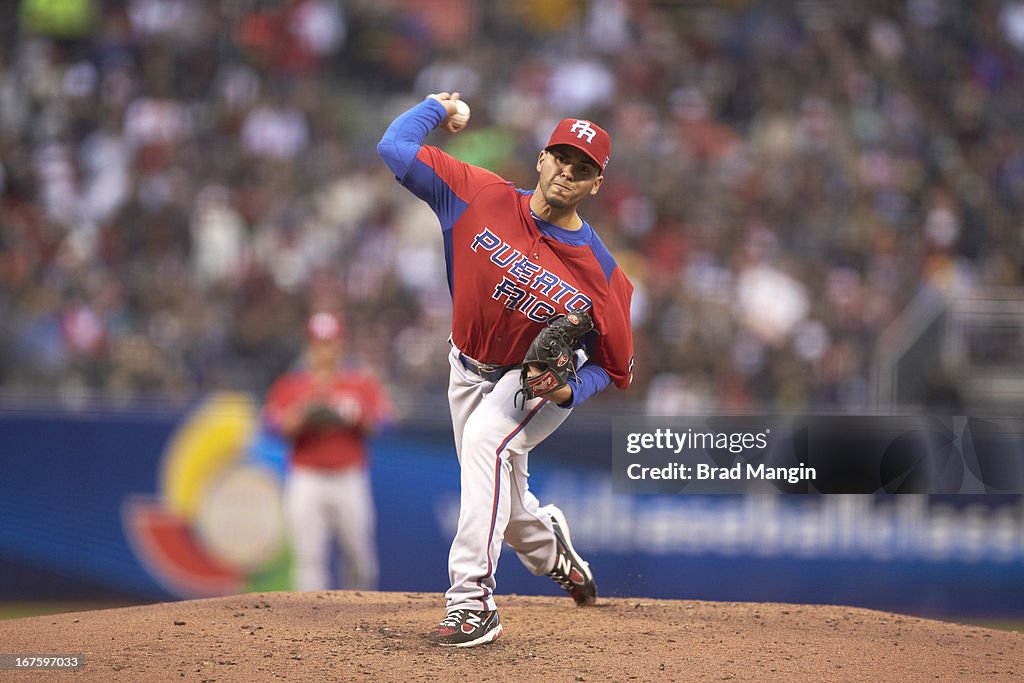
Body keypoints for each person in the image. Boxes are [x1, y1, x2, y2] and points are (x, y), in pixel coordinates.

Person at [377, 92, 634, 647]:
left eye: (583, 168)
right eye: (562, 157)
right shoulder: (478, 195)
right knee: (508, 508)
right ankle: (552, 548)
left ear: (595, 185)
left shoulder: (604, 275)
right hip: (464, 366)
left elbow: (616, 368)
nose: (568, 171)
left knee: (487, 442)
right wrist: (434, 107)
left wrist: (568, 388)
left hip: (529, 378)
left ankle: (472, 602)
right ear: (541, 158)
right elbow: (394, 146)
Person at [264, 311, 392, 591]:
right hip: (306, 479)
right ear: (309, 345)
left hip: (349, 478)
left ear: (340, 344)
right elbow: (272, 426)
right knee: (308, 559)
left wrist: (354, 414)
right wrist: (301, 415)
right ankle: (312, 627)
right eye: (319, 343)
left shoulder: (359, 382)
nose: (324, 350)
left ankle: (358, 620)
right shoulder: (291, 385)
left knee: (359, 558)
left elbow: (385, 421)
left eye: (330, 343)